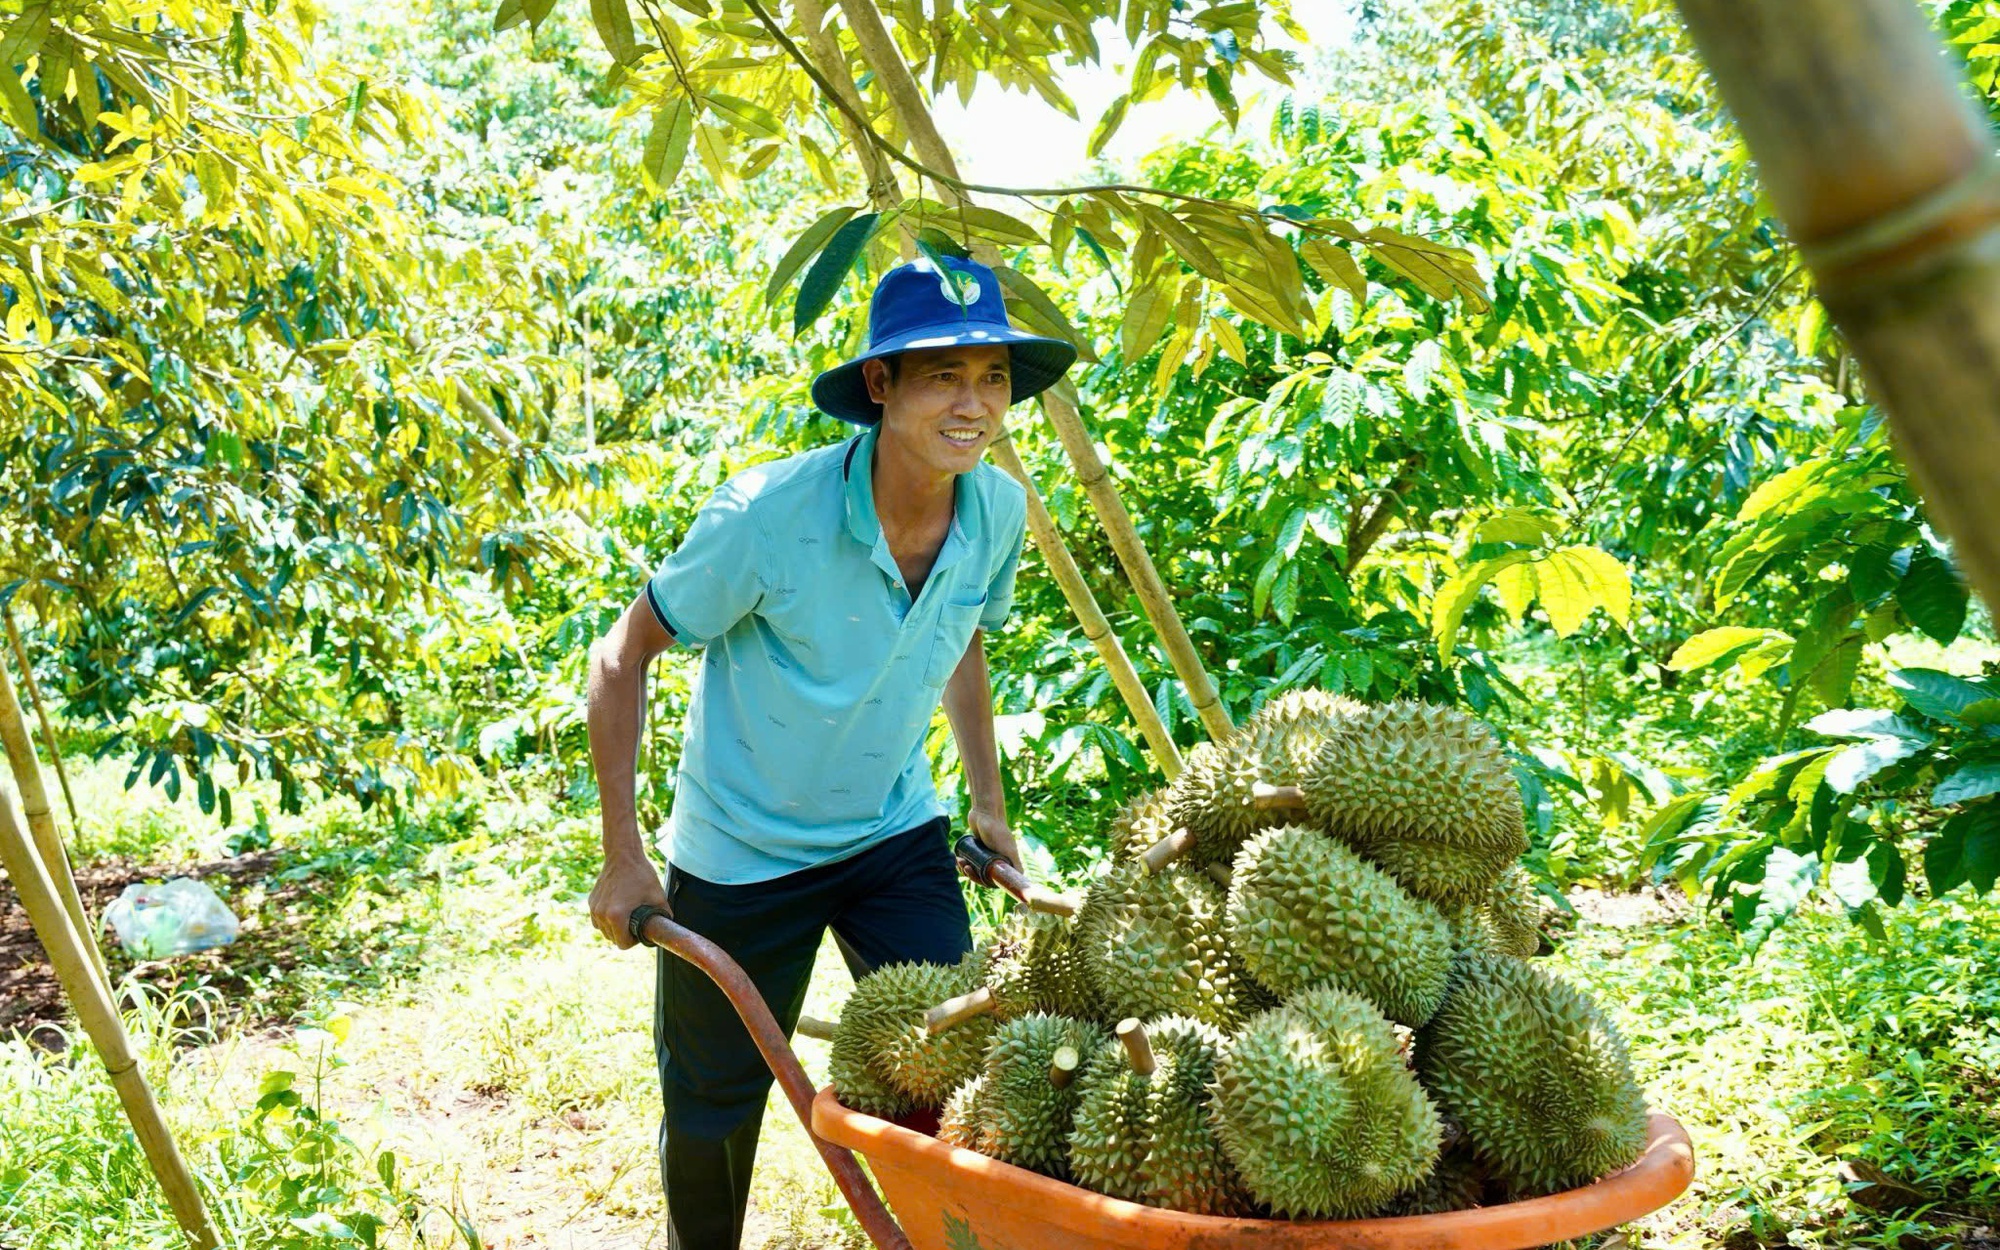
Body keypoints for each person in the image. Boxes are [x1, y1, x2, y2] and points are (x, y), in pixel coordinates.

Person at [583, 254, 1078, 1248]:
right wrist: (623, 852)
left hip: (892, 830)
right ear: (879, 384)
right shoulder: (764, 518)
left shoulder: (995, 513)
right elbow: (619, 654)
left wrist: (988, 805)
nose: (971, 403)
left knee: (961, 1062)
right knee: (714, 1108)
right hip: (741, 849)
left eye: (989, 377)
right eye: (942, 374)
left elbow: (963, 638)